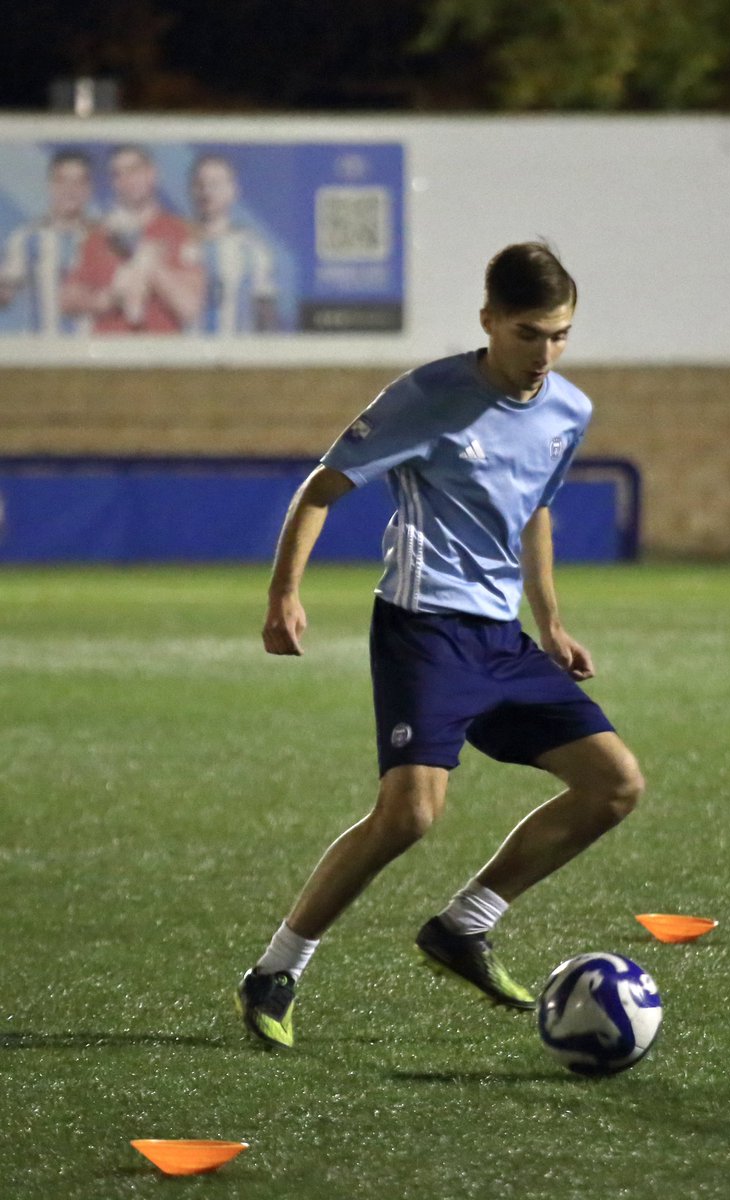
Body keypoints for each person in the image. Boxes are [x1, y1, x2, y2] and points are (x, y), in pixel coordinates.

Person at [236, 242, 644, 1049]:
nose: (545, 353)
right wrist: (284, 593)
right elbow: (321, 488)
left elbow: (534, 510)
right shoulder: (427, 397)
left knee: (615, 785)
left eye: (560, 335)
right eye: (529, 334)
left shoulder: (568, 410)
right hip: (422, 629)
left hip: (501, 639)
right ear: (489, 320)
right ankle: (276, 969)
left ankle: (465, 925)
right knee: (409, 816)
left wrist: (552, 622)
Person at [61, 144, 204, 333]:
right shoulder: (97, 235)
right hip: (109, 346)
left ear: (152, 174)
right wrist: (106, 300)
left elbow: (190, 308)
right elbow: (67, 299)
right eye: (118, 174)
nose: (127, 180)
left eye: (133, 170)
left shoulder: (180, 232)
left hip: (160, 347)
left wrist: (149, 264)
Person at [0, 150, 94, 335]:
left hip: (92, 349)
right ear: (50, 186)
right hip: (41, 349)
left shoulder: (105, 238)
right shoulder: (26, 238)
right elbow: (5, 292)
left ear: (88, 189)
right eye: (62, 181)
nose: (70, 190)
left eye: (78, 182)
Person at [189, 153, 279, 334]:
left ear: (233, 191)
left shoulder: (253, 249)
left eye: (215, 184)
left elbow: (266, 317)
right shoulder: (177, 243)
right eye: (200, 184)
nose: (206, 191)